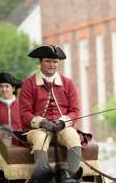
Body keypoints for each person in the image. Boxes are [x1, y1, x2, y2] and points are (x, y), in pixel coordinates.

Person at [18, 44, 82, 174]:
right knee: (41, 139)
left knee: (74, 137)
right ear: (40, 62)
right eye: (48, 61)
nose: (52, 64)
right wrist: (42, 122)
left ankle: (73, 179)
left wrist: (63, 122)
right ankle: (43, 179)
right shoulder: (28, 84)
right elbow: (24, 113)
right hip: (37, 130)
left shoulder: (68, 83)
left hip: (62, 127)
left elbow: (75, 110)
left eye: (55, 62)